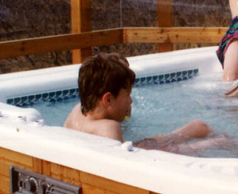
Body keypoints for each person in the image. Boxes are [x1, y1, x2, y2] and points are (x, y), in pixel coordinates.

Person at [64, 53, 211, 143]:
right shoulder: (109, 128)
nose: (131, 101)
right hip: (140, 151)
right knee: (200, 128)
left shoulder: (77, 112)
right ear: (107, 100)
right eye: (127, 95)